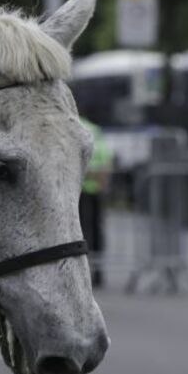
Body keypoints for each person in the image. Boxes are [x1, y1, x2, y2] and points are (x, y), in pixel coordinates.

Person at [79, 118, 112, 288]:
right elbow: (106, 156)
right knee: (96, 232)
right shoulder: (95, 130)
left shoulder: (75, 123)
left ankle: (85, 272)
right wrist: (103, 176)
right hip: (96, 189)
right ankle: (98, 272)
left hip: (80, 190)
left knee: (81, 232)